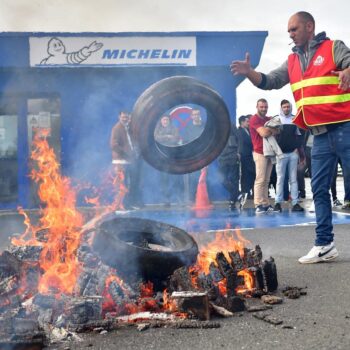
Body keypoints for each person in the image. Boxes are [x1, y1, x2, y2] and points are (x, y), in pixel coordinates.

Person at [231, 11, 350, 264]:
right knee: (319, 190)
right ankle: (324, 244)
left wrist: (348, 70)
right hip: (318, 136)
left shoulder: (332, 48)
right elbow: (271, 81)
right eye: (289, 31)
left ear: (309, 27)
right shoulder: (292, 61)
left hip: (345, 128)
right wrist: (250, 72)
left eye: (294, 29)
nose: (291, 34)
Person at [273, 99, 305, 212]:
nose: (286, 108)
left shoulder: (294, 119)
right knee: (280, 179)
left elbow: (300, 136)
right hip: (280, 155)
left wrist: (298, 150)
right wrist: (276, 151)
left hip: (293, 154)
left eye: (288, 106)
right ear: (281, 108)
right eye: (284, 107)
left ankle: (295, 203)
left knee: (293, 179)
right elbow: (271, 136)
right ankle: (277, 203)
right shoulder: (276, 120)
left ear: (290, 107)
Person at [248, 98, 278, 214]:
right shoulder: (254, 119)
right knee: (260, 179)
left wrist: (269, 129)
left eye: (265, 107)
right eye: (261, 107)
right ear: (257, 107)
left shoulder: (268, 119)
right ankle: (258, 204)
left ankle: (265, 203)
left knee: (266, 180)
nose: (264, 109)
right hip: (259, 152)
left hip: (269, 152)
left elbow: (278, 131)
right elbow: (264, 133)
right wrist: (271, 129)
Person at [110, 111, 143, 210]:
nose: (125, 119)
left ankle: (130, 203)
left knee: (131, 183)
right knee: (123, 184)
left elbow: (131, 143)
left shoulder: (128, 128)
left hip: (129, 160)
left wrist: (134, 153)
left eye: (127, 117)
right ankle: (123, 205)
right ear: (119, 116)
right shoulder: (116, 128)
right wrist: (126, 153)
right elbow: (113, 145)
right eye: (123, 117)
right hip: (121, 161)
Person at [154, 115, 182, 206]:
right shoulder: (157, 129)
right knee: (164, 180)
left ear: (169, 121)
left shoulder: (174, 128)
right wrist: (167, 136)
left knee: (175, 179)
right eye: (163, 120)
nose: (165, 121)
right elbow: (156, 138)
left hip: (173, 157)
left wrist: (165, 138)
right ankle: (166, 200)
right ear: (161, 121)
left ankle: (177, 199)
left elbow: (176, 138)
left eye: (167, 120)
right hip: (162, 159)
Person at [218, 122, 245, 211]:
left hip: (233, 156)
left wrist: (239, 152)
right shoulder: (215, 127)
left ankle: (232, 201)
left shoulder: (230, 125)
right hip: (222, 158)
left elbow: (240, 138)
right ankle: (239, 194)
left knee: (234, 180)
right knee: (222, 179)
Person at [182, 109, 205, 204]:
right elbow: (186, 141)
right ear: (191, 116)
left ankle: (204, 198)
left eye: (197, 114)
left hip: (204, 154)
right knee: (193, 178)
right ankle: (192, 199)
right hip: (192, 156)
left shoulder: (204, 125)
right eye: (194, 114)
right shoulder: (187, 127)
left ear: (199, 115)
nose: (196, 116)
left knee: (205, 177)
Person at [237, 115, 255, 199]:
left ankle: (248, 191)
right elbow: (241, 144)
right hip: (244, 155)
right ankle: (246, 191)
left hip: (249, 155)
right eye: (247, 121)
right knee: (245, 174)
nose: (249, 123)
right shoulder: (239, 132)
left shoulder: (247, 130)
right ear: (242, 122)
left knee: (250, 174)